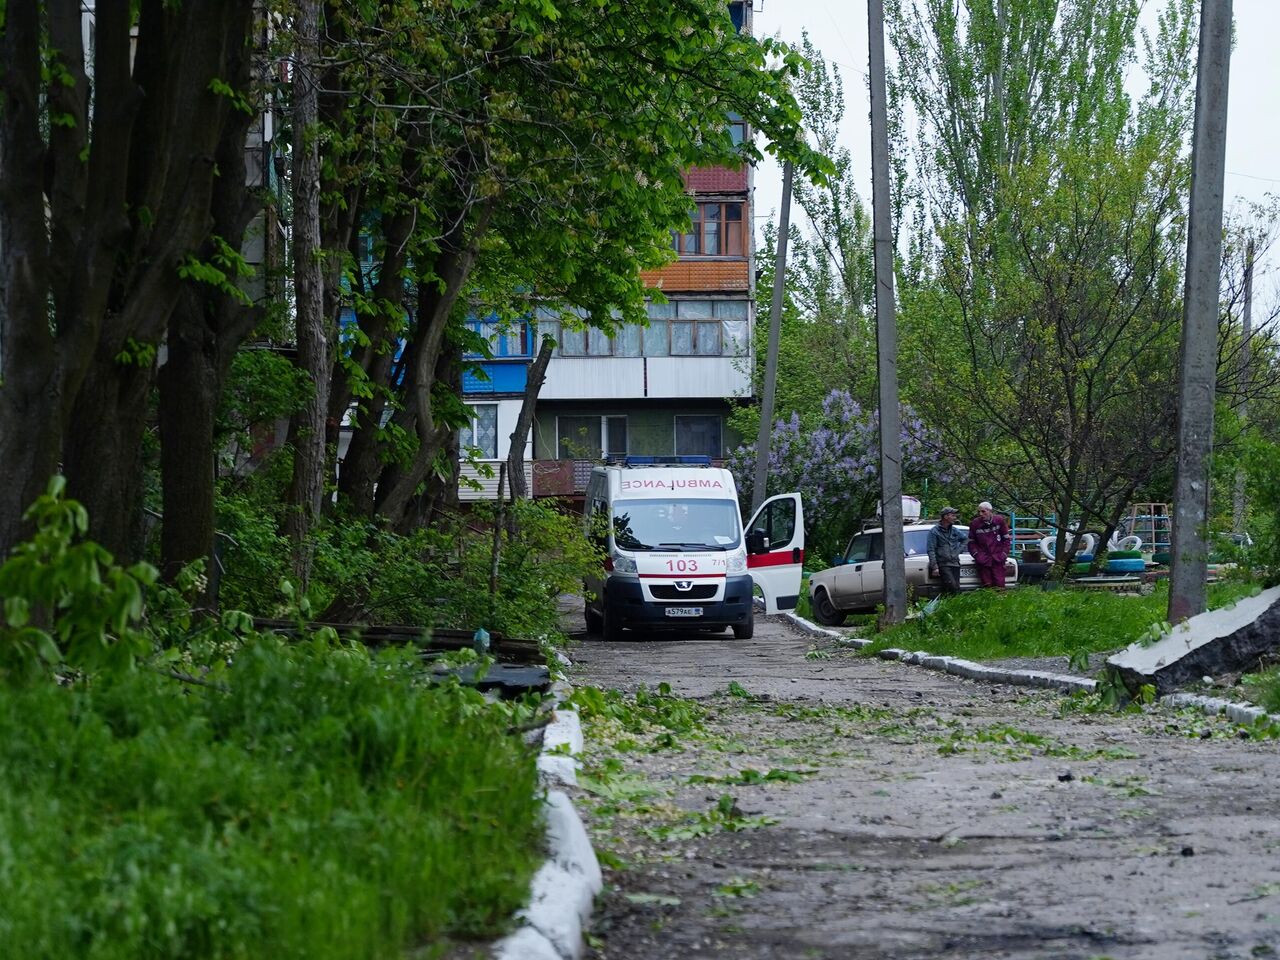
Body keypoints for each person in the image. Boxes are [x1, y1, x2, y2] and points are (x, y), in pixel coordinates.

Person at [969, 500, 1011, 589]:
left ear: (990, 511)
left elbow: (1006, 539)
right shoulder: (975, 523)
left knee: (1000, 586)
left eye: (983, 511)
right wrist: (977, 555)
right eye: (979, 511)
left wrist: (1004, 554)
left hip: (998, 559)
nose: (980, 514)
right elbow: (971, 542)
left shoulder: (999, 521)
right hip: (984, 560)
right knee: (987, 586)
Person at [927, 506, 967, 596]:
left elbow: (965, 539)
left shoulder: (954, 530)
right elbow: (931, 549)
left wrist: (958, 551)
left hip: (955, 563)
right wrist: (935, 566)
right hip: (943, 564)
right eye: (952, 515)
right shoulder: (934, 531)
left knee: (954, 587)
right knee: (953, 587)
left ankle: (950, 606)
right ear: (945, 517)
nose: (955, 518)